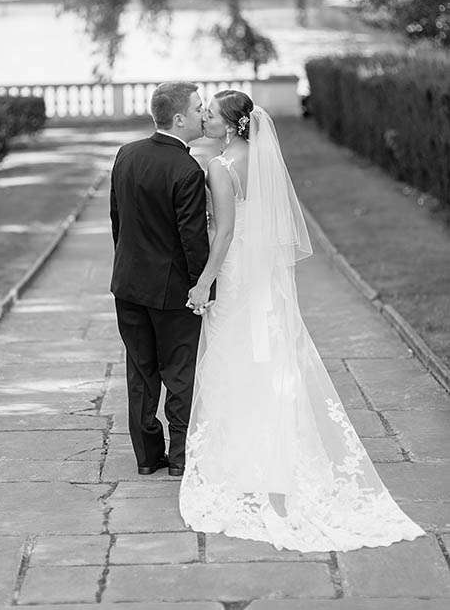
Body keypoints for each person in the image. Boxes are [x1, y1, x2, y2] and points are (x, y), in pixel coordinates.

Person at [178, 89, 425, 551]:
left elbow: (227, 231)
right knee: (269, 355)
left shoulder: (220, 166)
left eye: (210, 115)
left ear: (231, 125)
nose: (205, 120)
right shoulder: (261, 159)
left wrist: (202, 282)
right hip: (264, 276)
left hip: (234, 274)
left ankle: (239, 456)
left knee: (232, 354)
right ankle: (273, 449)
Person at [110, 81, 210, 477]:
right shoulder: (187, 169)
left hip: (129, 284)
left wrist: (128, 265)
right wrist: (203, 288)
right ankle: (180, 458)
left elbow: (119, 221)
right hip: (173, 293)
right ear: (180, 117)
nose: (204, 114)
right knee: (178, 373)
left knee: (140, 371)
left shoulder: (126, 154)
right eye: (200, 107)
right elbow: (193, 240)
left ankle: (148, 458)